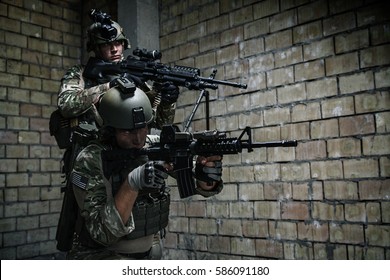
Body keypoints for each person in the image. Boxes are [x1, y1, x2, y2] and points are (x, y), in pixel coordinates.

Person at [66, 85, 223, 259]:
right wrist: (132, 183)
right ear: (110, 129)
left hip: (149, 254)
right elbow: (103, 233)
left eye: (143, 128)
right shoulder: (90, 159)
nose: (139, 139)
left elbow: (198, 183)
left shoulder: (152, 144)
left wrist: (205, 174)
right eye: (128, 131)